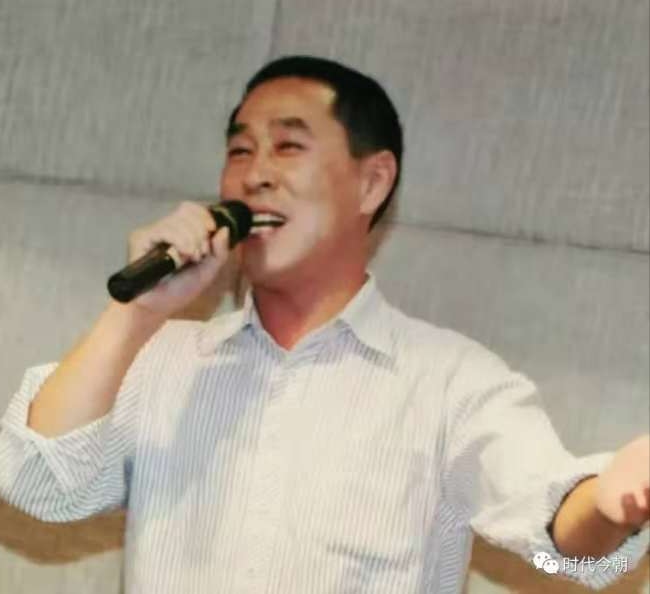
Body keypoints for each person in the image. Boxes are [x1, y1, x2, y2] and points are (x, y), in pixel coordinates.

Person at [0, 56, 648, 594]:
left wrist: (606, 506)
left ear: (373, 183)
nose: (255, 175)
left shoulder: (451, 383)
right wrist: (136, 312)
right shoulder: (161, 358)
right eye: (240, 150)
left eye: (288, 146)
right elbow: (38, 489)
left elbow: (561, 560)